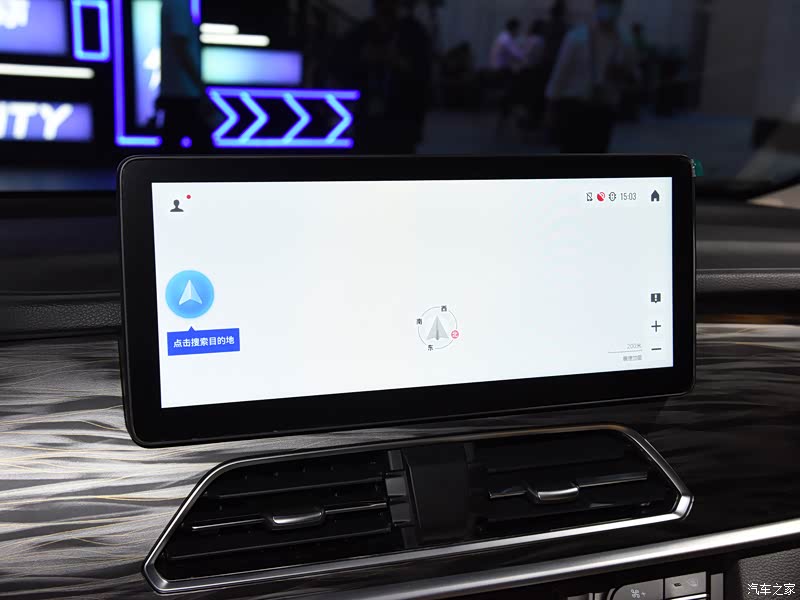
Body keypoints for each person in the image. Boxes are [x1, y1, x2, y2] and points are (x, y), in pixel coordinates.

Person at [335, 0, 433, 154]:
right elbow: (340, 66)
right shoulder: (362, 32)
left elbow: (424, 76)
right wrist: (362, 59)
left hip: (401, 122)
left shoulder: (413, 33)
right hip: (368, 120)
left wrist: (400, 63)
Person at [544, 0, 638, 153]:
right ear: (596, 5)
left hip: (604, 109)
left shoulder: (625, 41)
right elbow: (560, 74)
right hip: (574, 108)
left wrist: (623, 74)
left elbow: (635, 77)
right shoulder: (576, 37)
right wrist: (551, 107)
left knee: (597, 153)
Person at [159, 0, 211, 151]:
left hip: (177, 90)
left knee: (171, 146)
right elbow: (180, 45)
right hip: (184, 91)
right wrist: (199, 83)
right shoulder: (178, 3)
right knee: (203, 148)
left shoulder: (172, 3)